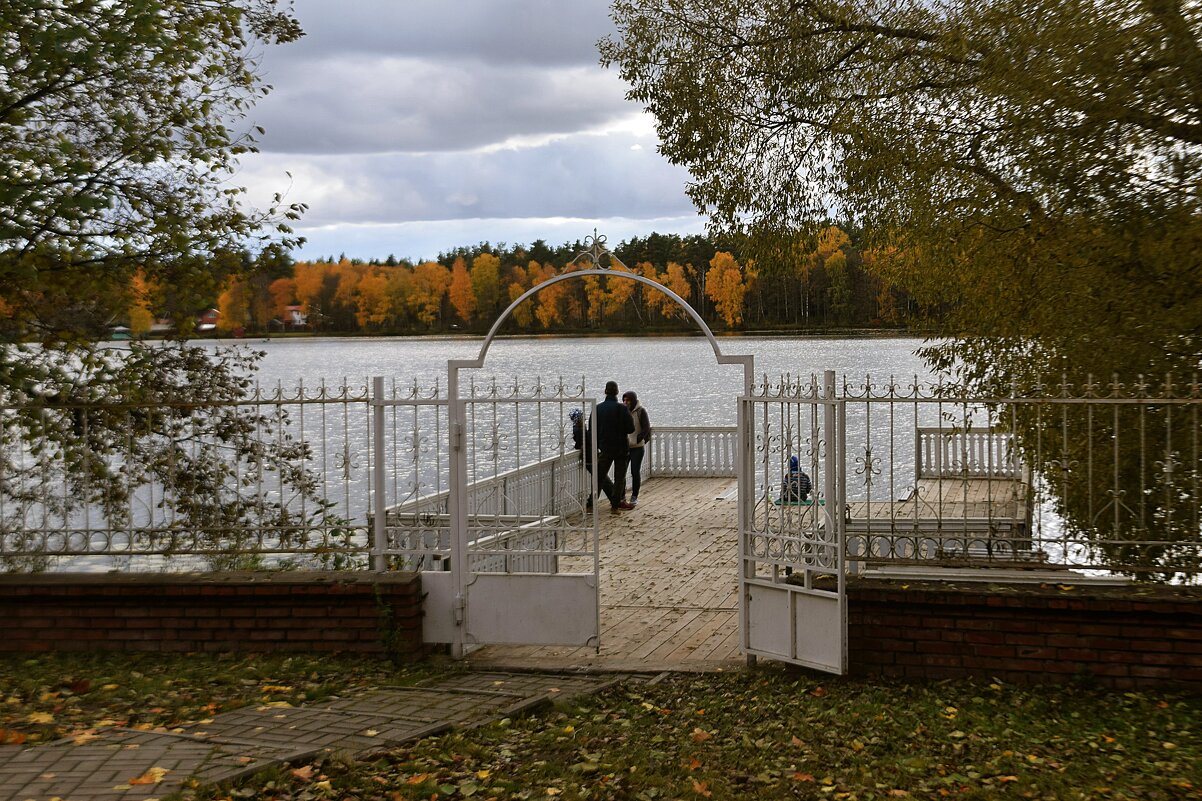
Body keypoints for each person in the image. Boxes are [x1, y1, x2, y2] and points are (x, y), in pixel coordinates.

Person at [591, 380, 635, 513]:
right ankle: (615, 505)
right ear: (617, 392)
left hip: (605, 447)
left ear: (605, 392)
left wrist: (599, 443)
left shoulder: (598, 408)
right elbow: (631, 429)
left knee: (599, 476)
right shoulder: (622, 409)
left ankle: (592, 503)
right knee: (619, 477)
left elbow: (592, 429)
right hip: (621, 448)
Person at [621, 390, 652, 507]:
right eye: (624, 400)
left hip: (637, 447)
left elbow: (646, 427)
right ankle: (621, 495)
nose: (625, 402)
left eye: (628, 400)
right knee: (622, 472)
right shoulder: (623, 411)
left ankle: (634, 496)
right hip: (625, 447)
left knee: (635, 471)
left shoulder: (641, 411)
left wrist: (638, 438)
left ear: (633, 400)